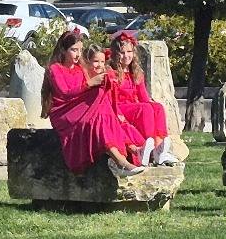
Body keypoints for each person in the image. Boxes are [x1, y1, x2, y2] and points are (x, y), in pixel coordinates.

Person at [43, 30, 143, 177]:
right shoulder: (55, 69)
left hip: (80, 109)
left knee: (102, 112)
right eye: (73, 50)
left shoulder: (80, 69)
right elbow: (65, 92)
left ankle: (123, 158)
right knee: (100, 104)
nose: (78, 54)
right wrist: (90, 83)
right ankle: (126, 155)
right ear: (63, 50)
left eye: (80, 50)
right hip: (64, 112)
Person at [108, 30, 178, 166]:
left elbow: (144, 97)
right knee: (144, 108)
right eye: (122, 52)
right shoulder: (112, 72)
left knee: (157, 107)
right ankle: (149, 143)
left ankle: (159, 145)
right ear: (116, 54)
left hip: (133, 106)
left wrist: (153, 104)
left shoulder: (136, 72)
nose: (126, 56)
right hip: (120, 107)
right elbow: (112, 99)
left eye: (129, 52)